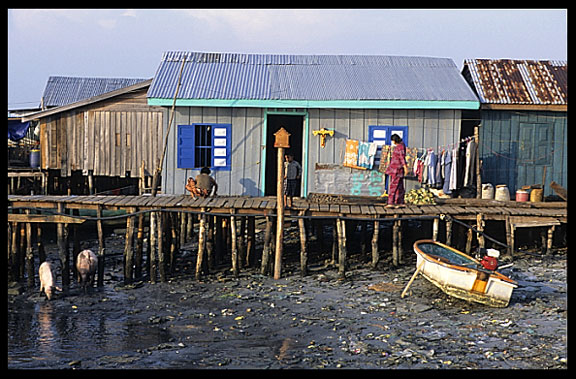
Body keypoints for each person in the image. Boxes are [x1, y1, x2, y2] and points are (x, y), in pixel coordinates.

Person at [385, 134, 408, 207]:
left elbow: (402, 158)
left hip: (396, 169)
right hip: (397, 169)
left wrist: (405, 167)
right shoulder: (401, 145)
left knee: (393, 186)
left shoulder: (400, 147)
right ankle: (399, 202)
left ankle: (390, 202)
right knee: (399, 186)